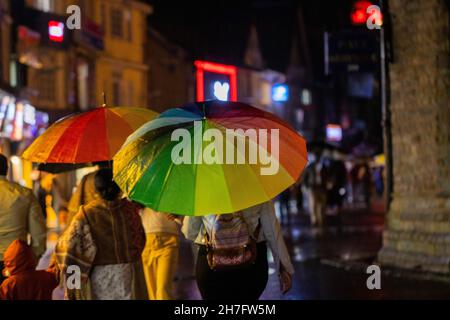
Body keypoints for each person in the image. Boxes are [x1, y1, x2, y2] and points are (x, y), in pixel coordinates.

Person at [54, 169, 147, 300]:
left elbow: (71, 246)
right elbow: (140, 240)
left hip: (100, 276)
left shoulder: (87, 213)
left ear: (96, 189)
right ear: (119, 188)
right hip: (127, 273)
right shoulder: (129, 210)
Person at [183, 201, 294, 300]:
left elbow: (190, 232)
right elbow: (272, 231)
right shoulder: (256, 185)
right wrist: (284, 268)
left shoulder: (203, 189)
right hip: (251, 265)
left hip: (211, 267)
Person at [0, 154, 46, 284]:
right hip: (17, 263)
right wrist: (33, 258)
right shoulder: (25, 194)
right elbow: (39, 234)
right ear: (7, 169)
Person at [141, 208, 182, 300]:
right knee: (151, 291)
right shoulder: (140, 194)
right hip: (146, 241)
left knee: (163, 288)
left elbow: (185, 211)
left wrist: (178, 214)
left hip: (168, 241)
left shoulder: (173, 193)